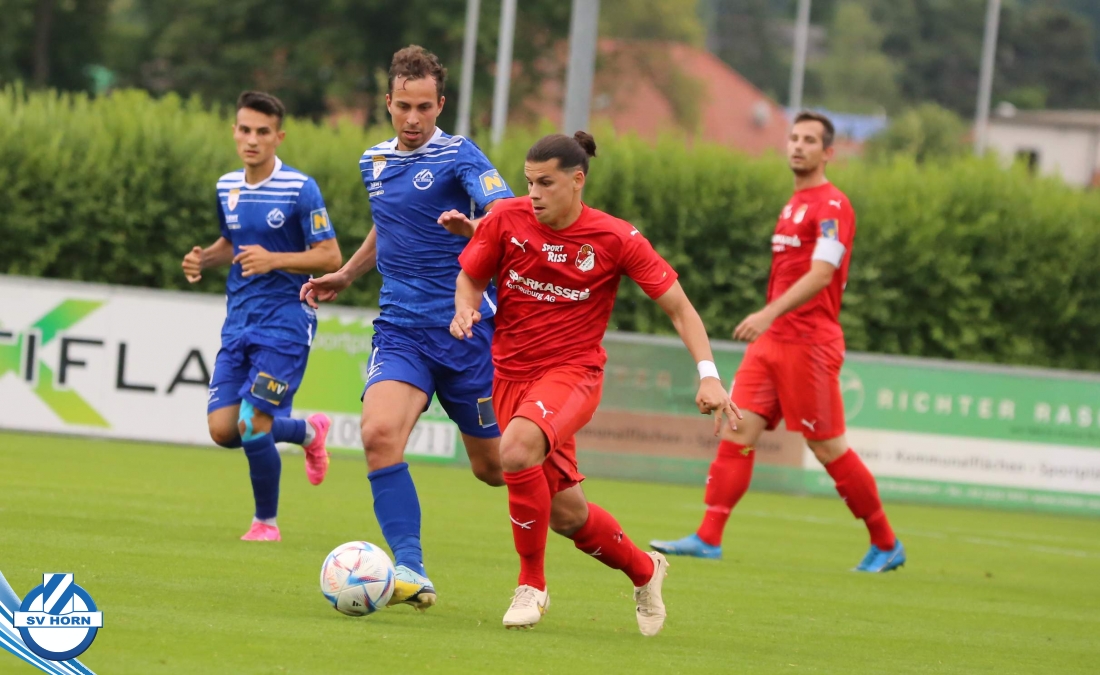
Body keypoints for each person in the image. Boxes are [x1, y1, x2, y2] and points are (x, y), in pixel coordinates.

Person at [451, 132, 740, 634]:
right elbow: (471, 277)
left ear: (577, 180)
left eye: (546, 183)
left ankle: (531, 585)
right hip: (511, 378)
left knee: (514, 452)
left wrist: (709, 376)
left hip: (573, 374)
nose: (534, 194)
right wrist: (465, 307)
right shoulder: (504, 219)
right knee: (567, 515)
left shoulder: (616, 238)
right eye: (529, 182)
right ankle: (645, 570)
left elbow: (679, 308)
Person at [300, 45, 514, 609]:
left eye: (424, 107)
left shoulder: (460, 155)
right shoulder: (373, 161)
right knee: (377, 435)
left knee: (494, 469)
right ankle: (410, 569)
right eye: (403, 106)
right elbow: (388, 225)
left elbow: (509, 214)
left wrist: (474, 229)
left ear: (440, 104)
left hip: (467, 332)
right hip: (400, 332)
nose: (413, 118)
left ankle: (556, 481)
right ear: (388, 104)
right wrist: (347, 273)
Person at [650, 112, 906, 573]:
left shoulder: (832, 205)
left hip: (809, 343)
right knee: (737, 429)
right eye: (794, 137)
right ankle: (708, 538)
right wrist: (771, 323)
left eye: (809, 140)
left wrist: (768, 313)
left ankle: (886, 543)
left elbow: (823, 273)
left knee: (827, 448)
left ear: (828, 152)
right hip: (772, 343)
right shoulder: (793, 205)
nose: (798, 146)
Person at [182, 91, 342, 542]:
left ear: (278, 137)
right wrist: (203, 259)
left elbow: (329, 255)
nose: (252, 140)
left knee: (253, 423)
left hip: (286, 323)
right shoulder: (226, 187)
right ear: (234, 132)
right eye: (245, 130)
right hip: (239, 321)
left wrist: (275, 260)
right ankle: (308, 432)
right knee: (223, 429)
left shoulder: (300, 189)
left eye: (262, 132)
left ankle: (265, 524)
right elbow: (231, 243)